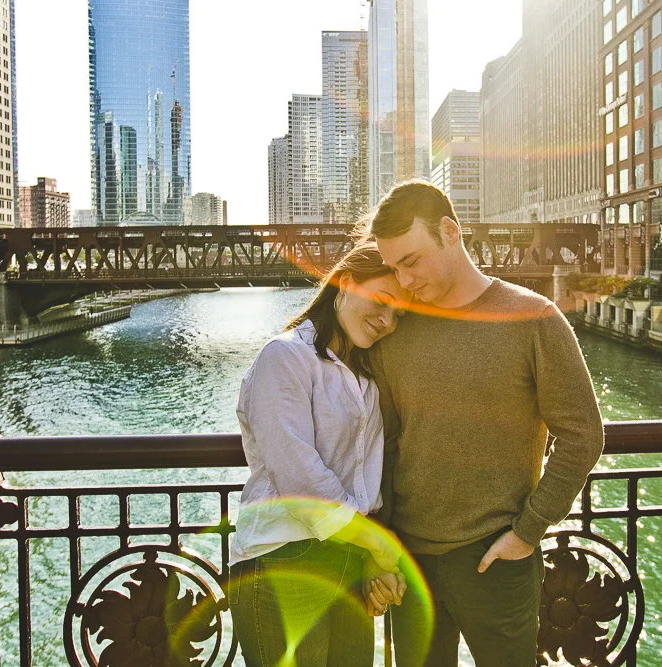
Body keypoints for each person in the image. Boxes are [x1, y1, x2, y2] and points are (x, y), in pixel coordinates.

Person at [365, 180, 606, 666]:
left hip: (495, 560)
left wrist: (528, 531)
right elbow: (387, 445)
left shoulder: (534, 318)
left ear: (450, 232)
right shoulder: (397, 330)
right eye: (393, 268)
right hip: (408, 563)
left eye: (410, 261)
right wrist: (381, 546)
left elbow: (583, 435)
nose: (403, 280)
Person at [228, 242, 411, 667]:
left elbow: (364, 480)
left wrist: (368, 558)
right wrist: (382, 550)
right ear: (345, 283)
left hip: (348, 556)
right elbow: (300, 478)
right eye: (382, 302)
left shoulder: (364, 375)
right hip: (283, 557)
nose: (387, 321)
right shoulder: (285, 356)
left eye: (398, 314)